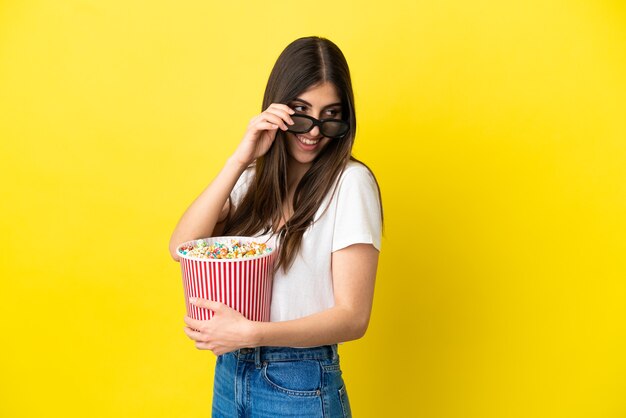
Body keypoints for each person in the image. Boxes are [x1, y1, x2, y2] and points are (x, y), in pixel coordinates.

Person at [169, 36, 382, 418]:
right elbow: (182, 248)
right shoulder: (251, 180)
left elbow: (353, 317)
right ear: (277, 109)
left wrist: (253, 333)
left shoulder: (350, 183)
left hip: (299, 379)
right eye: (301, 111)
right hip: (231, 373)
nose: (314, 131)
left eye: (330, 116)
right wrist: (240, 158)